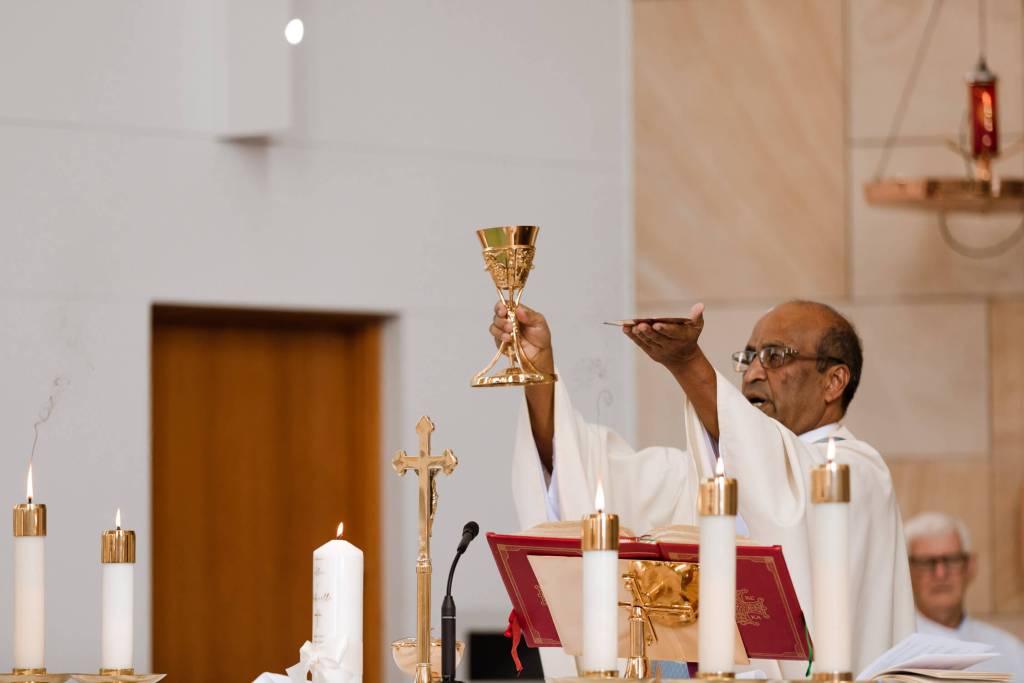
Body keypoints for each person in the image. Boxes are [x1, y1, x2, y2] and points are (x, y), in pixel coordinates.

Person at [491, 300, 915, 678]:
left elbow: (780, 486)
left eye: (775, 356)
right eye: (748, 356)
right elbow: (581, 470)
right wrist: (538, 373)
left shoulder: (858, 475)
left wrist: (688, 363)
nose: (752, 373)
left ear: (834, 381)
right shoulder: (703, 473)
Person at [905, 511, 1024, 677]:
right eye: (926, 563)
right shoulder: (889, 655)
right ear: (907, 571)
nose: (940, 574)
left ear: (970, 567)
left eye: (951, 560)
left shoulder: (1011, 652)